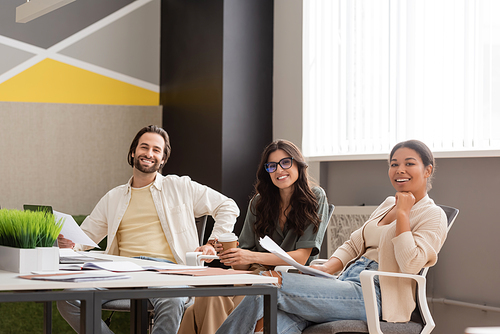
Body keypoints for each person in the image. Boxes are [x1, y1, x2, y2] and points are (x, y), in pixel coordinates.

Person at [216, 139, 448, 334]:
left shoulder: (433, 215)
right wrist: (329, 267)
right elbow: (354, 243)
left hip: (378, 295)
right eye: (394, 164)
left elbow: (410, 264)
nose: (400, 170)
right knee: (273, 323)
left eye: (409, 164)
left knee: (269, 285)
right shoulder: (389, 203)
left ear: (428, 170)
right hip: (345, 281)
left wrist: (404, 215)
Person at [56, 125, 239, 334]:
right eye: (144, 147)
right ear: (133, 152)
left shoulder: (180, 187)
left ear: (163, 159)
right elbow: (86, 236)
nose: (149, 154)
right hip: (121, 270)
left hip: (167, 272)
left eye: (156, 150)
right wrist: (70, 243)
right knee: (69, 298)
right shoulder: (113, 197)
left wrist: (212, 243)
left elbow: (227, 206)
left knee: (173, 300)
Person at [177, 139, 329, 334]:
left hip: (289, 278)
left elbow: (301, 257)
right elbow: (243, 263)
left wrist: (251, 257)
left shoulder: (315, 197)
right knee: (210, 294)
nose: (279, 170)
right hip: (255, 274)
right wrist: (231, 254)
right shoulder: (259, 202)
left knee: (196, 311)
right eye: (272, 166)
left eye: (285, 162)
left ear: (298, 164)